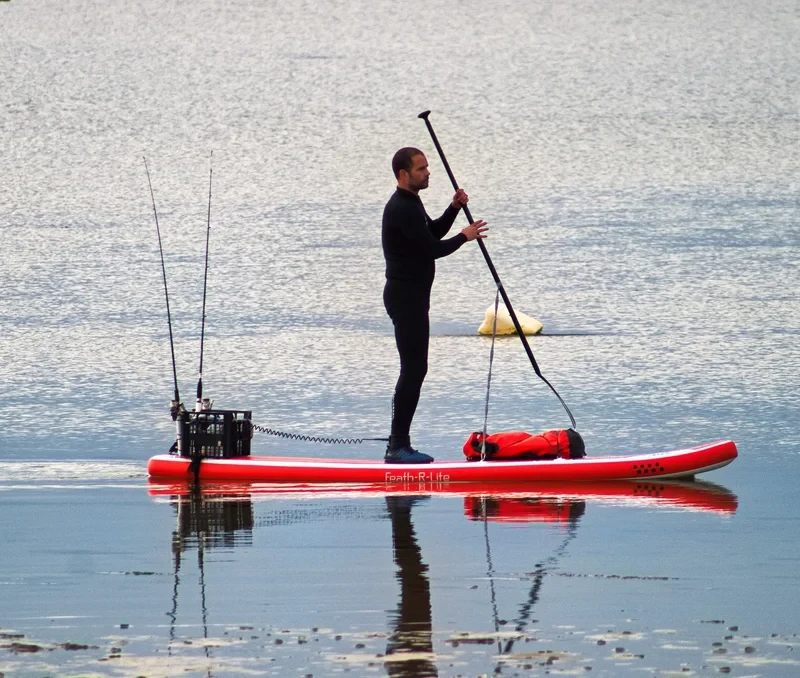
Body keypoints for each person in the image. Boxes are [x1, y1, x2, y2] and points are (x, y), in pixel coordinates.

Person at [382, 147, 488, 464]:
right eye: (421, 168)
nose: (428, 172)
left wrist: (454, 208)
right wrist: (464, 237)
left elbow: (430, 233)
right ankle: (397, 447)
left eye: (428, 167)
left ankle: (399, 443)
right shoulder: (401, 207)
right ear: (403, 174)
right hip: (405, 298)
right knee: (413, 369)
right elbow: (432, 249)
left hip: (413, 296)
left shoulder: (412, 203)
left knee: (416, 369)